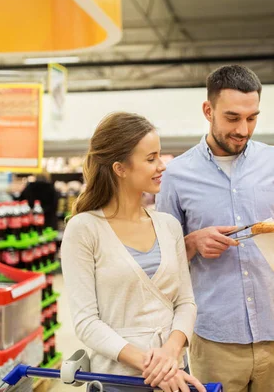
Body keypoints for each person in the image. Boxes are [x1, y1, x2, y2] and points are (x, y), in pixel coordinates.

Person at [156, 64, 274, 392]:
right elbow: (162, 263)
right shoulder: (176, 175)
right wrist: (191, 242)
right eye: (232, 118)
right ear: (208, 110)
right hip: (215, 339)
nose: (243, 129)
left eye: (252, 117)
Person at [60, 112, 206, 392]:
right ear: (120, 168)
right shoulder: (84, 229)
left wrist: (172, 352)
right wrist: (152, 365)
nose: (162, 166)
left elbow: (186, 302)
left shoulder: (169, 226)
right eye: (151, 158)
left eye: (159, 156)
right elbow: (86, 322)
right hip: (118, 380)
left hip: (175, 374)